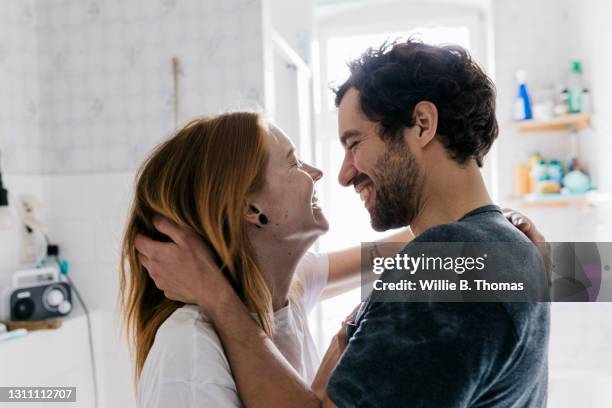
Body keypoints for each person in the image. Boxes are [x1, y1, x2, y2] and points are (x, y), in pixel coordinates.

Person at [136, 40, 551, 407]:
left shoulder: (447, 265)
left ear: (422, 125)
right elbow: (582, 277)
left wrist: (216, 296)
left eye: (354, 143)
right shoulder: (503, 251)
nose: (342, 174)